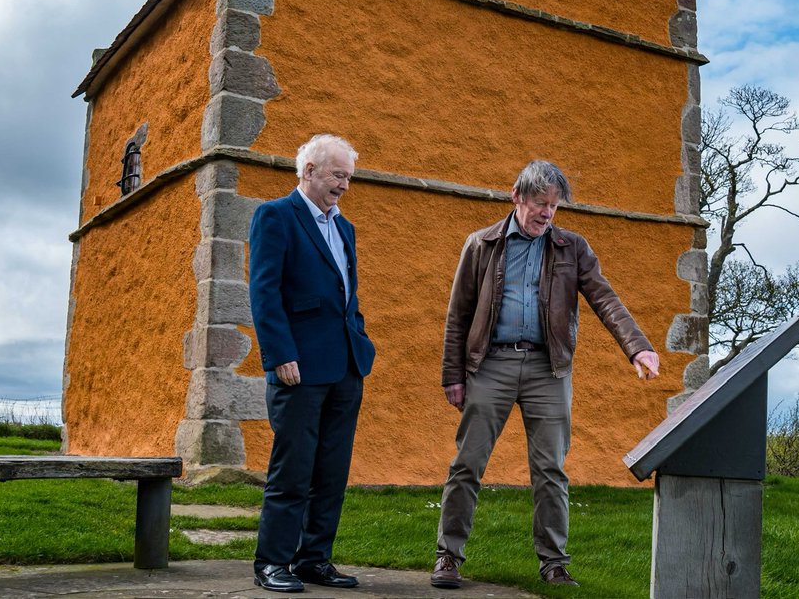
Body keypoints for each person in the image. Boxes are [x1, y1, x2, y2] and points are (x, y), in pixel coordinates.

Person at [431, 160, 661, 589]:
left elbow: (604, 299)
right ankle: (448, 557)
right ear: (517, 196)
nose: (547, 214)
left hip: (548, 369)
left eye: (554, 207)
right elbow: (457, 316)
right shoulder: (481, 245)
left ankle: (554, 563)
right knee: (467, 464)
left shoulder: (571, 248)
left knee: (550, 470)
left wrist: (638, 347)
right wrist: (453, 376)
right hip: (491, 365)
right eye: (540, 204)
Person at [248, 133, 375, 593]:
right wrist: (281, 354)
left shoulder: (345, 228)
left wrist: (360, 338)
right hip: (297, 368)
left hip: (346, 367)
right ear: (309, 171)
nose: (344, 185)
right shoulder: (276, 216)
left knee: (332, 473)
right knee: (293, 469)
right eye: (338, 175)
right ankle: (271, 563)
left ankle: (314, 560)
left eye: (348, 177)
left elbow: (348, 296)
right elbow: (264, 293)